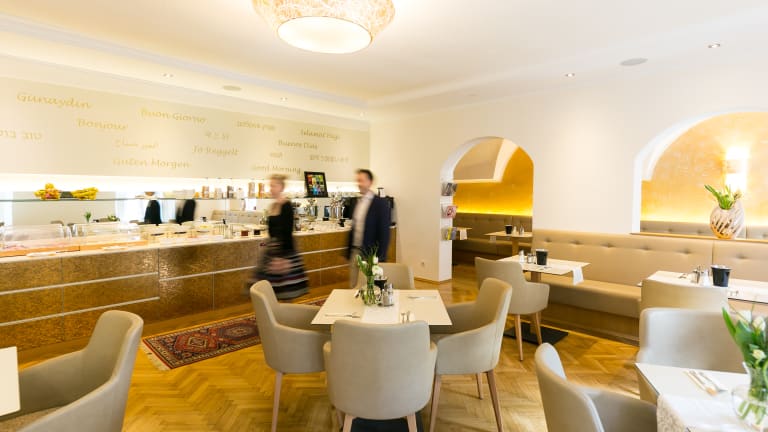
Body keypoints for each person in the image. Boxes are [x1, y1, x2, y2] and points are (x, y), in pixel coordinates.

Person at [254, 174, 309, 299]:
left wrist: (283, 258)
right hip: (271, 252)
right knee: (269, 289)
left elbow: (287, 233)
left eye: (273, 186)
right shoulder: (273, 206)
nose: (271, 189)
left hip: (284, 252)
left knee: (285, 289)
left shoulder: (286, 206)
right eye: (270, 186)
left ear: (281, 187)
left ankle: (282, 310)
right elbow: (272, 231)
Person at [347, 169, 391, 287]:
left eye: (362, 180)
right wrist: (348, 252)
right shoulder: (357, 202)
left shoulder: (380, 204)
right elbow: (354, 228)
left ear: (370, 182)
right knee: (354, 285)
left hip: (370, 254)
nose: (359, 184)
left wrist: (381, 257)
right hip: (356, 252)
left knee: (370, 286)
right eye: (358, 181)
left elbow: (384, 233)